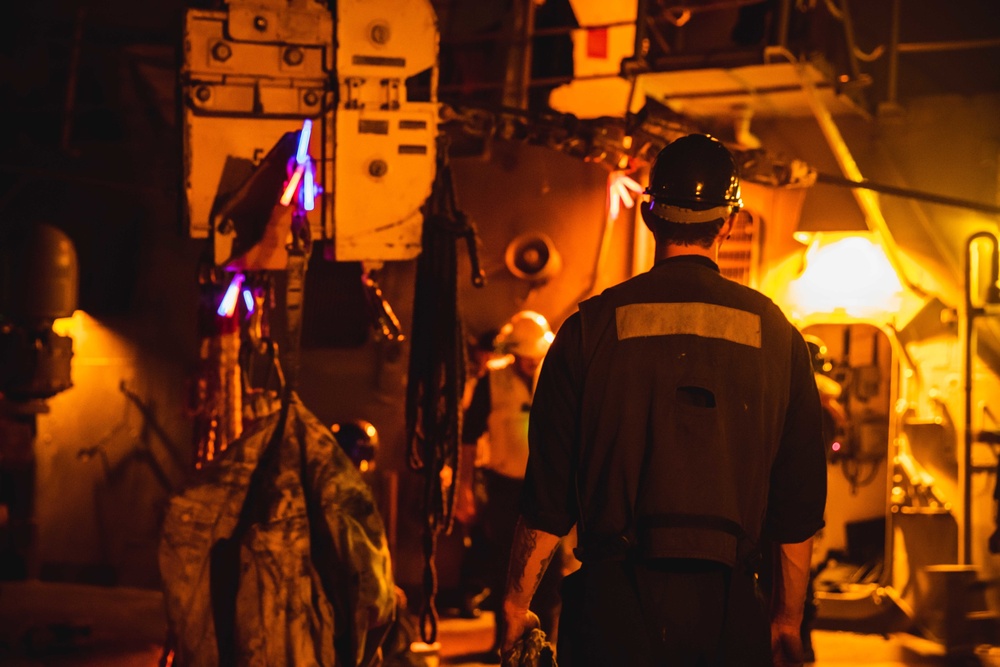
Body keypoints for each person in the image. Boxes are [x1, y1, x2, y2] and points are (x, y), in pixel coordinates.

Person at [500, 134, 828, 667]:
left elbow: (548, 496)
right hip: (730, 614)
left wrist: (517, 604)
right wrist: (786, 620)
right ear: (728, 222)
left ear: (650, 216)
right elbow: (797, 510)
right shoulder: (778, 337)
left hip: (612, 608)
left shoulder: (587, 331)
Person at [458, 311, 567, 660]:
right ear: (514, 353)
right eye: (526, 358)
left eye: (536, 358)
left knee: (549, 575)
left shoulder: (557, 377)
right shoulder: (491, 382)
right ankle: (502, 645)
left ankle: (544, 646)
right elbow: (468, 439)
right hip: (505, 488)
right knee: (503, 569)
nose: (531, 363)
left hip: (547, 488)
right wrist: (464, 490)